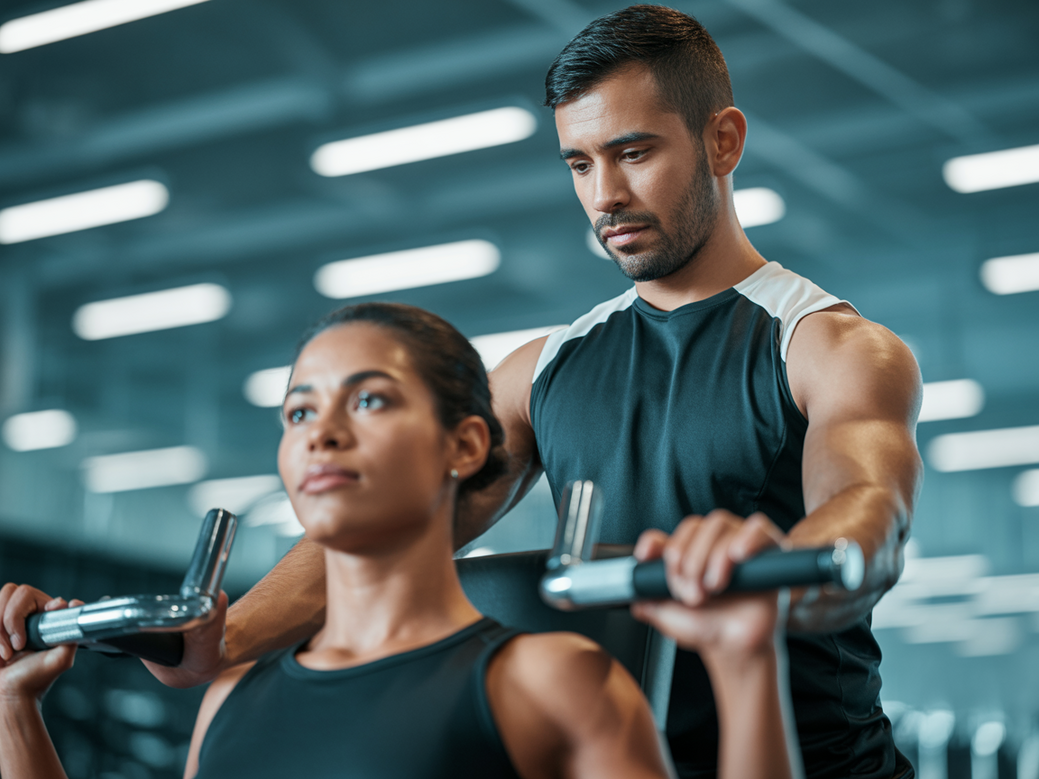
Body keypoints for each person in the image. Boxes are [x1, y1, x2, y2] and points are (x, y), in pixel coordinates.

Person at [1, 5, 923, 778]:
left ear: (722, 141)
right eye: (579, 163)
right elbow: (399, 514)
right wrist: (221, 638)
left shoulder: (828, 347)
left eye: (633, 152)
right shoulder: (544, 369)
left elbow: (866, 515)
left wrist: (770, 574)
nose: (603, 194)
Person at [0, 302, 797, 779]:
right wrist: (14, 707)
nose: (322, 433)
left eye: (370, 400)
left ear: (465, 444)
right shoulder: (230, 700)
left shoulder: (553, 680)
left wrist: (745, 664)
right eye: (299, 412)